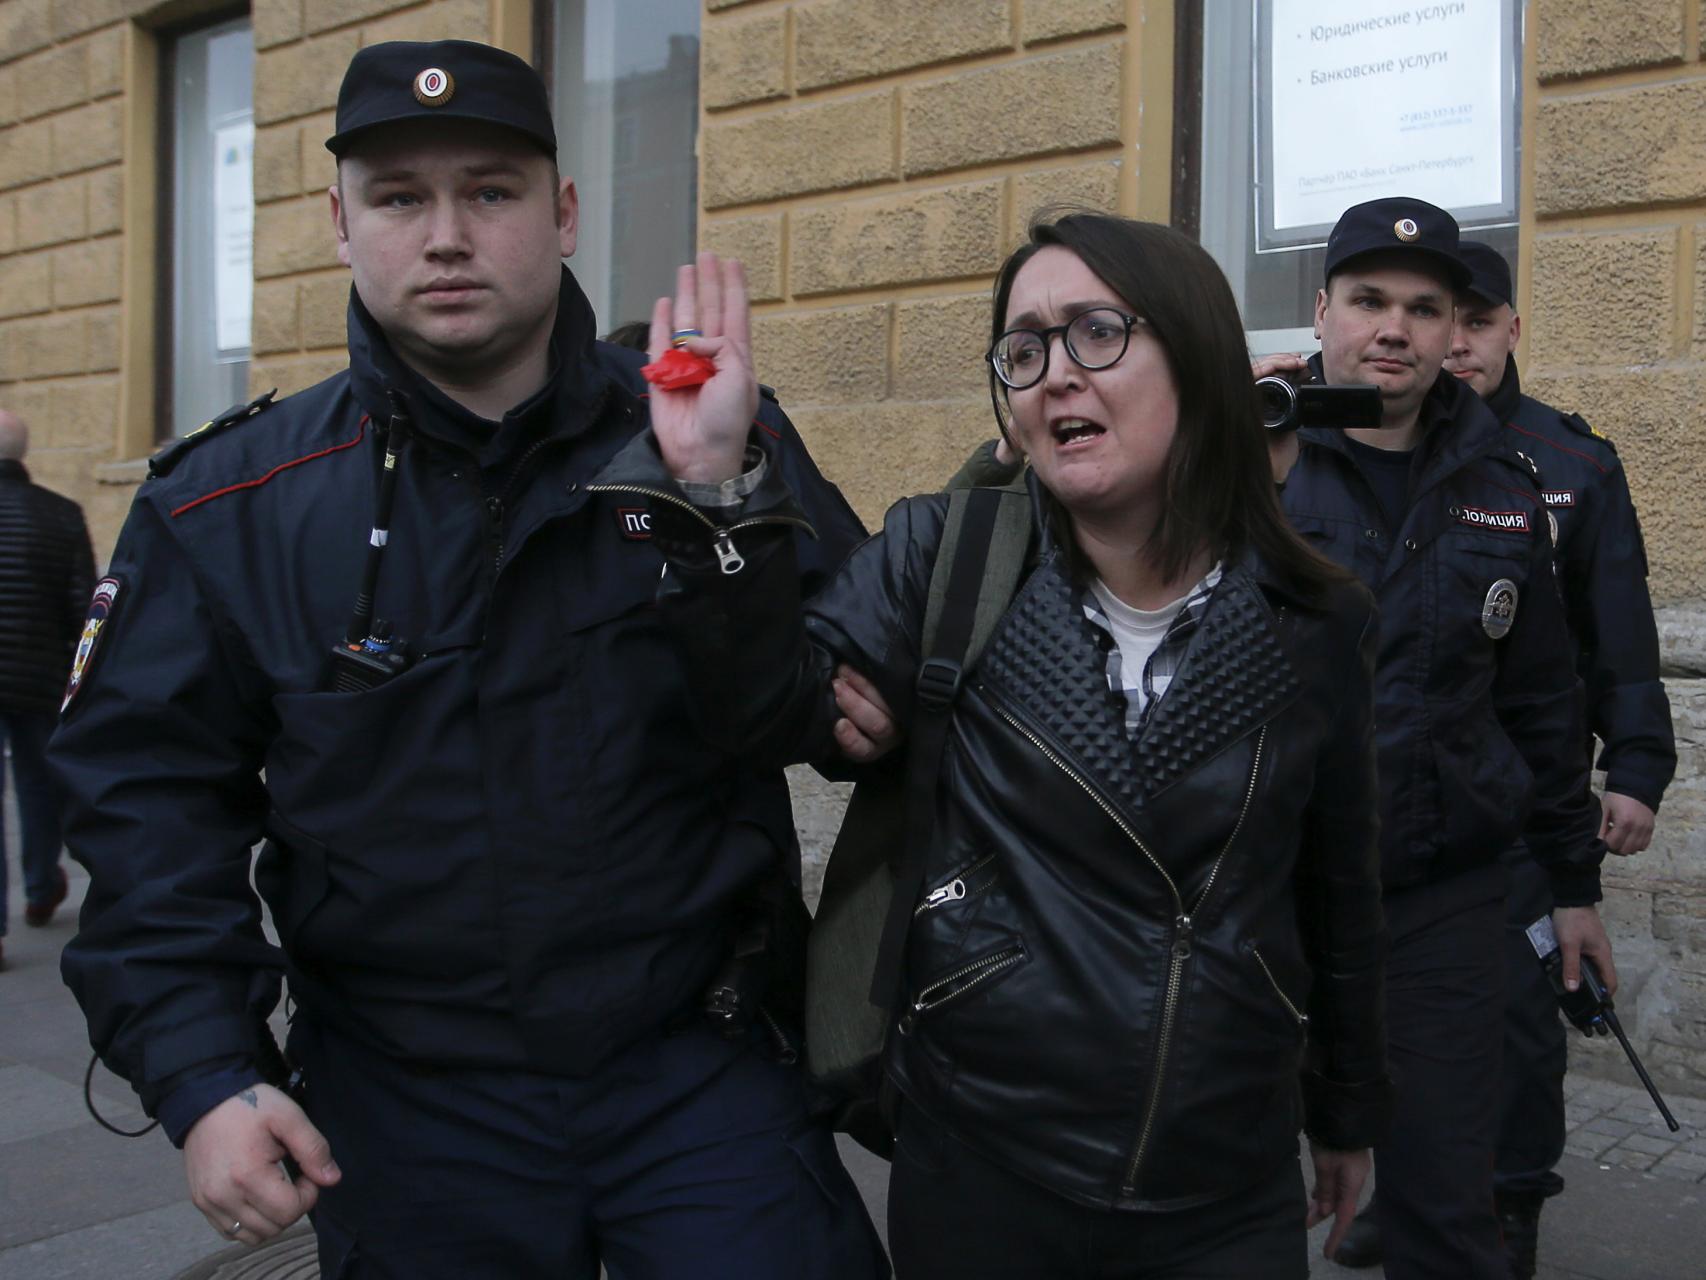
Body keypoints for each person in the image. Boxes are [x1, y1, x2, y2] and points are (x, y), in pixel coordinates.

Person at [52, 40, 888, 1280]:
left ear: (559, 214)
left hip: (699, 1067)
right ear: (341, 224)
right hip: (409, 1105)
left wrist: (716, 505)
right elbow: (149, 812)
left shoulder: (712, 435)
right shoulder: (231, 507)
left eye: (489, 192)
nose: (446, 235)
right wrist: (207, 1070)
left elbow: (833, 693)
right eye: (400, 198)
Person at [607, 211, 1393, 1278]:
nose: (1053, 374)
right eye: (1023, 350)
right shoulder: (948, 552)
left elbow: (1335, 884)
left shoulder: (1313, 615)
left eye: (1096, 333)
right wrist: (712, 489)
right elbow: (762, 710)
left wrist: (1341, 1108)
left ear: (1199, 360)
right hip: (984, 1158)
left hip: (1222, 1176)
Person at [1255, 198, 1615, 1280]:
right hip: (1256, 898)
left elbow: (1542, 705)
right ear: (1320, 310)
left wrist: (1570, 882)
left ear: (1459, 325)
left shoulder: (1504, 485)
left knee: (1449, 1210)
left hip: (1436, 901)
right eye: (1367, 300)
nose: (1394, 329)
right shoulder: (1248, 470)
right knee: (1221, 1202)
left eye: (1425, 307)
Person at [1442, 238, 1674, 1278]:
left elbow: (1617, 633)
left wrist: (1633, 767)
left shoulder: (1571, 464)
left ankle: (1508, 1210)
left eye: (1476, 322)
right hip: (1384, 791)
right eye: (1436, 318)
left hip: (1521, 803)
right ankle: (1405, 1185)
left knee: (1517, 1025)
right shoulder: (1348, 453)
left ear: (1510, 330)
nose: (1453, 344)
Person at [0, 409, 93, 968]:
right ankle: (39, 888)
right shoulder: (60, 514)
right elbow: (88, 611)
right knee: (38, 784)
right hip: (39, 678)